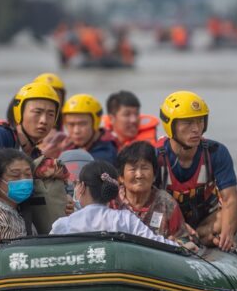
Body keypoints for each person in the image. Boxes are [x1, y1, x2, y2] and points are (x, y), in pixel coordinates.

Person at [0, 81, 70, 234]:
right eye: (37, 112)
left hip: (18, 211)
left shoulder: (36, 155)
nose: (44, 120)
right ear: (19, 113)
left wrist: (66, 201)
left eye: (51, 114)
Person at [155, 90, 237, 252]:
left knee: (226, 220)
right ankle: (185, 237)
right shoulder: (155, 156)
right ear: (170, 124)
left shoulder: (217, 152)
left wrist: (228, 236)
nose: (196, 129)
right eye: (187, 123)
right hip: (169, 221)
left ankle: (198, 237)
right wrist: (177, 225)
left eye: (200, 121)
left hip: (206, 220)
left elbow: (230, 199)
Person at [50, 160, 181, 247]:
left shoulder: (63, 224)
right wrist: (181, 246)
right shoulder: (125, 219)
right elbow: (156, 243)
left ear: (82, 187)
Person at [112, 141, 194, 243]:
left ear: (154, 175)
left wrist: (177, 242)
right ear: (121, 177)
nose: (139, 175)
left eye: (145, 168)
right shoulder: (112, 201)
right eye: (133, 169)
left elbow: (184, 238)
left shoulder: (166, 202)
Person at [0, 148, 37, 240]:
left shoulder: (16, 206)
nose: (23, 180)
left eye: (28, 174)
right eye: (15, 175)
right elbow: (14, 252)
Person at [62, 93, 118, 163]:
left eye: (82, 124)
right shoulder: (65, 145)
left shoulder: (105, 155)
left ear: (95, 123)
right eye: (71, 124)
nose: (76, 131)